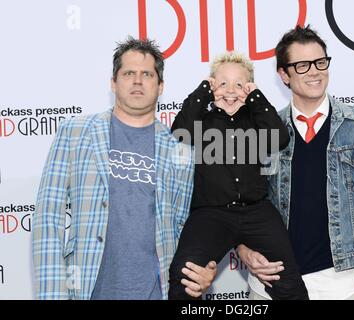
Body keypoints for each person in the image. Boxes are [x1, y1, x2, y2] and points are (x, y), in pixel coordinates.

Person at [237, 25, 354, 300]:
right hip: (270, 286)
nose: (314, 71)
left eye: (320, 62)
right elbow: (237, 205)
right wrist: (243, 248)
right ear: (283, 75)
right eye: (301, 65)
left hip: (339, 287)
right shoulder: (261, 132)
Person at [32, 37, 217, 300]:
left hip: (158, 292)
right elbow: (48, 218)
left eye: (147, 74)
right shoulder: (74, 132)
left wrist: (204, 266)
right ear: (113, 82)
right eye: (129, 73)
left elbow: (185, 226)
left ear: (160, 85)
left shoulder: (181, 149)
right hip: (88, 291)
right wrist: (53, 295)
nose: (138, 80)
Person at [169, 51, 309, 300]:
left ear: (250, 89)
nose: (231, 90)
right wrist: (204, 90)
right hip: (210, 213)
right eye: (222, 83)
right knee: (185, 277)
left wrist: (255, 98)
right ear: (212, 87)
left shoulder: (257, 119)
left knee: (286, 279)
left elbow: (280, 138)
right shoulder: (203, 119)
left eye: (239, 84)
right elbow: (180, 131)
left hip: (257, 211)